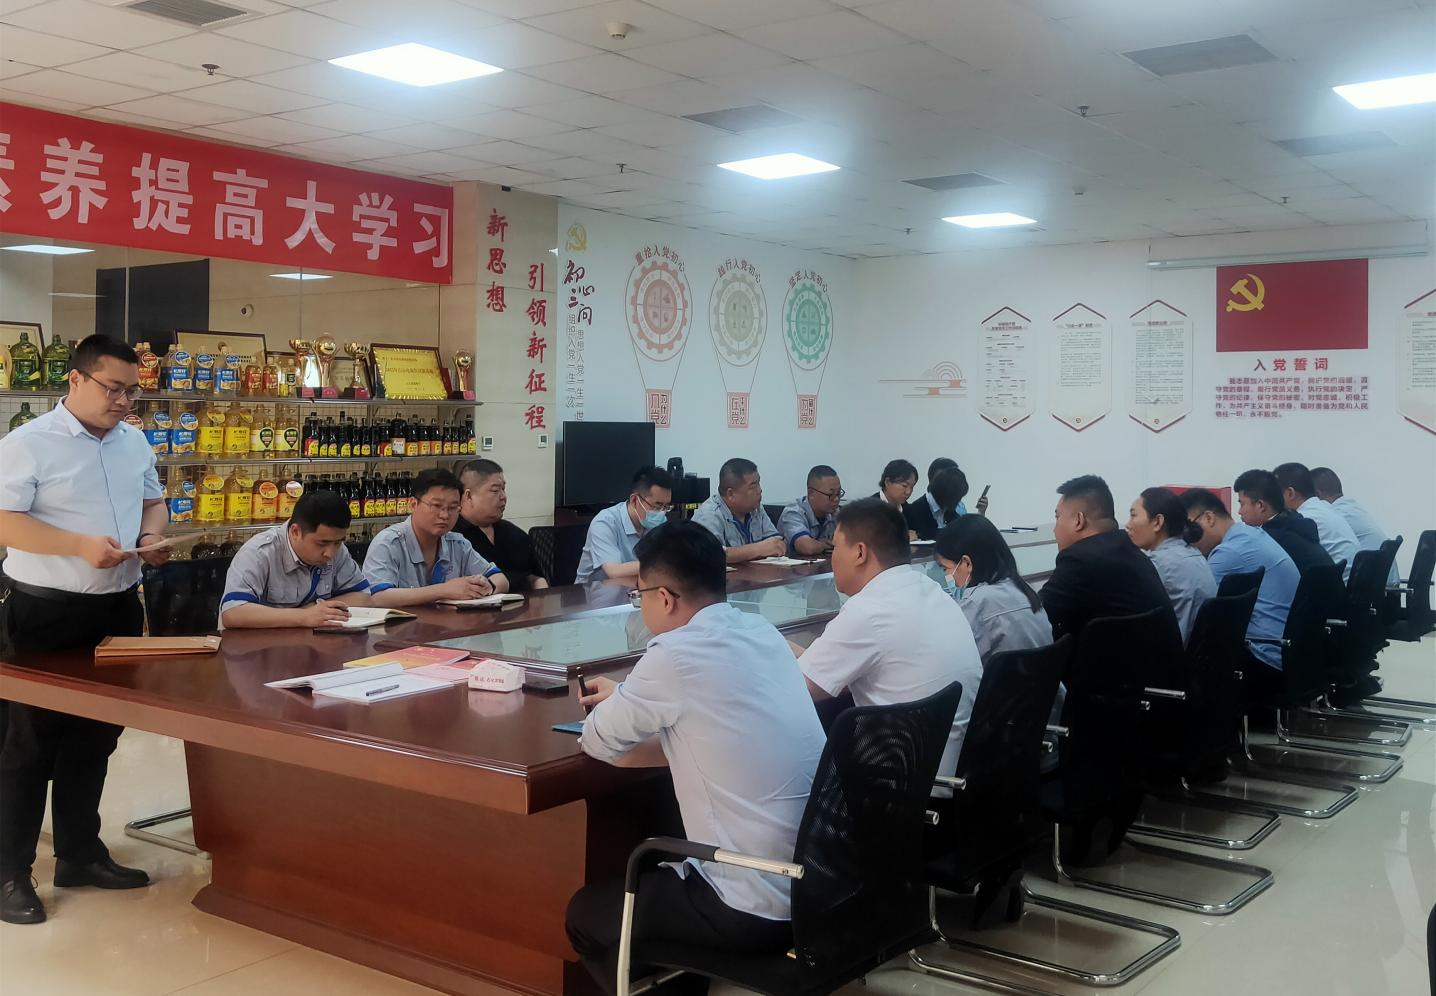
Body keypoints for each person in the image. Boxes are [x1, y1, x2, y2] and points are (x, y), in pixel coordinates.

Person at [566, 522, 825, 994]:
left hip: (752, 907)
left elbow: (599, 741)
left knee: (586, 915)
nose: (641, 604)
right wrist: (634, 696)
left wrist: (622, 701)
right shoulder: (761, 631)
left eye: (640, 595)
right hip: (821, 888)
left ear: (664, 598)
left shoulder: (673, 654)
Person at [0, 335, 168, 925]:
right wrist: (76, 546)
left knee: (95, 737)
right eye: (113, 389)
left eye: (132, 391)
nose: (123, 402)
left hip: (115, 610)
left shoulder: (134, 441)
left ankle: (79, 853)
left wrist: (150, 536)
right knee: (26, 746)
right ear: (75, 379)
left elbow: (152, 501)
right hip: (42, 613)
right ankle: (10, 872)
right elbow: (4, 521)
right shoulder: (28, 443)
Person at [792, 499, 983, 779]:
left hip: (900, 782)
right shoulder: (930, 589)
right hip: (950, 769)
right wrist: (803, 656)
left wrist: (775, 649)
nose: (832, 558)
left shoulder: (868, 611)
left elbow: (798, 690)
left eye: (835, 547)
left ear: (860, 553)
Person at [1182, 488, 1301, 701]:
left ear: (1208, 518)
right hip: (1290, 653)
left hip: (1265, 656)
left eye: (1188, 530)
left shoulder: (1229, 553)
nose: (1187, 540)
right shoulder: (1249, 535)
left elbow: (1197, 604)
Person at [1040, 475, 1177, 643]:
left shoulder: (1078, 560)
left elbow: (1036, 618)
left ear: (1079, 520)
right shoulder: (1135, 553)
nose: (1054, 529)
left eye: (1057, 517)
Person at [218, 490, 372, 629]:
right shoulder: (259, 553)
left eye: (338, 542)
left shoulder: (337, 549)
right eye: (321, 543)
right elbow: (233, 613)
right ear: (295, 532)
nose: (330, 553)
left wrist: (317, 607)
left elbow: (363, 596)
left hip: (311, 644)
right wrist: (304, 616)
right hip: (257, 647)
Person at [363, 468, 508, 607]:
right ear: (413, 504)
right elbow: (377, 598)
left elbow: (500, 579)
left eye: (453, 508)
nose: (444, 515)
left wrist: (488, 586)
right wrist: (445, 590)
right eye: (436, 506)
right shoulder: (388, 543)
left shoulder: (457, 544)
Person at [935, 514, 1053, 663]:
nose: (946, 576)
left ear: (966, 563)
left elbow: (953, 661)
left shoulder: (975, 603)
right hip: (1046, 677)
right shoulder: (1025, 590)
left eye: (945, 568)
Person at [1126, 487, 1216, 644]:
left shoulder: (1158, 564)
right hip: (1203, 653)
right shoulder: (1194, 553)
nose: (1127, 524)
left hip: (1173, 653)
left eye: (1133, 515)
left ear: (1157, 522)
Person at [454, 459, 548, 591]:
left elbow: (533, 576)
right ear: (468, 496)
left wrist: (541, 588)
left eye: (503, 489)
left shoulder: (514, 534)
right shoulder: (452, 537)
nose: (503, 496)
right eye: (495, 490)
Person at [573, 466, 674, 583]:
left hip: (635, 588)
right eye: (657, 506)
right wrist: (660, 566)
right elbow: (614, 571)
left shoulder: (659, 523)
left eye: (666, 507)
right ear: (635, 500)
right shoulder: (605, 522)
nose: (662, 512)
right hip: (589, 591)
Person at [1233, 469, 1334, 575]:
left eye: (1242, 504)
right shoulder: (1296, 523)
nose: (1239, 511)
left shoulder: (1270, 539)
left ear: (1261, 506)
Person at [1311, 466, 1398, 587]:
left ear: (1317, 495)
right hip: (1382, 589)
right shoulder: (1352, 508)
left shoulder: (1334, 515)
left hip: (1373, 590)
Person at [1273, 462, 1359, 579]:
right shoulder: (1325, 507)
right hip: (1352, 583)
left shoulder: (1304, 519)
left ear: (1290, 493)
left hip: (1337, 585)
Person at [691, 458, 785, 563]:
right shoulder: (709, 515)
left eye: (759, 483)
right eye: (753, 486)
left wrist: (774, 547)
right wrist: (759, 549)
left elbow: (777, 544)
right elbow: (711, 555)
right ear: (730, 494)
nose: (759, 490)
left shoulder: (756, 509)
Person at [778, 465, 842, 557]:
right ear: (811, 493)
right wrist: (823, 545)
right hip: (793, 566)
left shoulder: (835, 513)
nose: (836, 499)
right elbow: (807, 547)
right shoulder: (793, 513)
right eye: (831, 494)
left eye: (838, 493)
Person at [906, 465, 970, 541]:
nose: (958, 502)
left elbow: (960, 529)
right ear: (945, 495)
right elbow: (923, 533)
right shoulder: (915, 510)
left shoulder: (948, 508)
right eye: (957, 498)